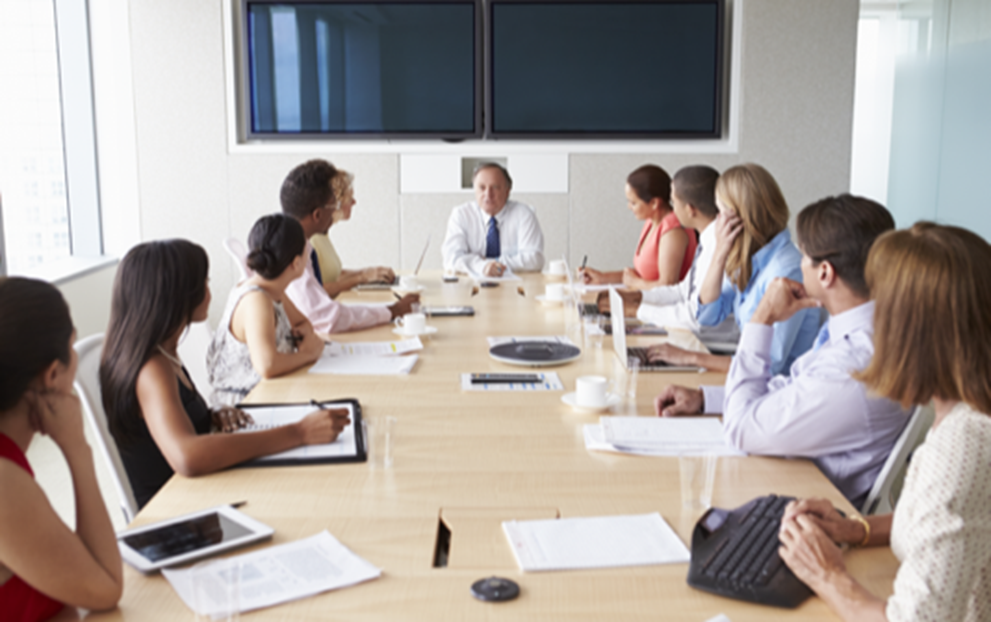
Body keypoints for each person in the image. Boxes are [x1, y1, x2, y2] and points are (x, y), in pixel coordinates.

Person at [778, 223, 991, 621]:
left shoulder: (962, 445)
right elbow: (950, 524)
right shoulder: (968, 413)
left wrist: (828, 576)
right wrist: (856, 528)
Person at [654, 195, 909, 506]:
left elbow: (741, 429)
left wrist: (762, 319)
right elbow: (794, 390)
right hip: (792, 478)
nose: (799, 264)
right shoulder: (865, 331)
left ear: (825, 273)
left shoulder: (853, 367)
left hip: (806, 505)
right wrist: (706, 399)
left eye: (804, 256)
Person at [101, 238, 349, 508]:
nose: (209, 292)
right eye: (205, 283)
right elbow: (187, 456)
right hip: (176, 510)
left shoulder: (165, 353)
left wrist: (210, 414)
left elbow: (171, 424)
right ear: (178, 296)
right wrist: (299, 433)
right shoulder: (152, 369)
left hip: (196, 492)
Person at [0, 277, 123, 618]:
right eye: (72, 346)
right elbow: (106, 586)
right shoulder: (4, 483)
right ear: (52, 374)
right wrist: (77, 449)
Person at [647, 163, 819, 374]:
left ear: (741, 217)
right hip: (747, 377)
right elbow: (708, 315)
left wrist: (690, 357)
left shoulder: (786, 270)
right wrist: (720, 253)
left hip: (776, 387)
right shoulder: (749, 258)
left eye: (720, 212)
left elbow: (767, 366)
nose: (717, 220)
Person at [596, 165, 738, 345]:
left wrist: (636, 310)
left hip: (706, 345)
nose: (671, 209)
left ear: (690, 209)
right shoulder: (708, 240)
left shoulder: (720, 246)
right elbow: (682, 291)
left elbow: (695, 316)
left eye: (673, 202)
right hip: (693, 337)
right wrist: (637, 297)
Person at [281, 159, 419, 333]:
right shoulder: (291, 256)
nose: (335, 211)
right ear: (317, 215)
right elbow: (326, 317)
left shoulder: (299, 245)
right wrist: (393, 311)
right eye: (335, 204)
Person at [581, 164, 697, 289]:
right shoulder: (651, 221)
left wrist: (635, 283)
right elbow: (640, 275)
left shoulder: (673, 232)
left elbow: (667, 285)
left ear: (654, 203)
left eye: (633, 203)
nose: (629, 207)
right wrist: (601, 277)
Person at [441, 162, 545, 277]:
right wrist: (482, 266)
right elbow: (451, 258)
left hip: (515, 284)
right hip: (470, 284)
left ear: (507, 191)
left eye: (495, 187)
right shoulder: (461, 215)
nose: (488, 194)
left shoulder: (524, 214)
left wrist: (494, 264)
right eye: (482, 187)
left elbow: (535, 259)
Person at [308, 168, 396, 297]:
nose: (354, 202)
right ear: (336, 203)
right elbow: (316, 290)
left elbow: (332, 275)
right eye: (350, 198)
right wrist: (361, 278)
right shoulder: (312, 239)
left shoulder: (323, 234)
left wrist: (369, 272)